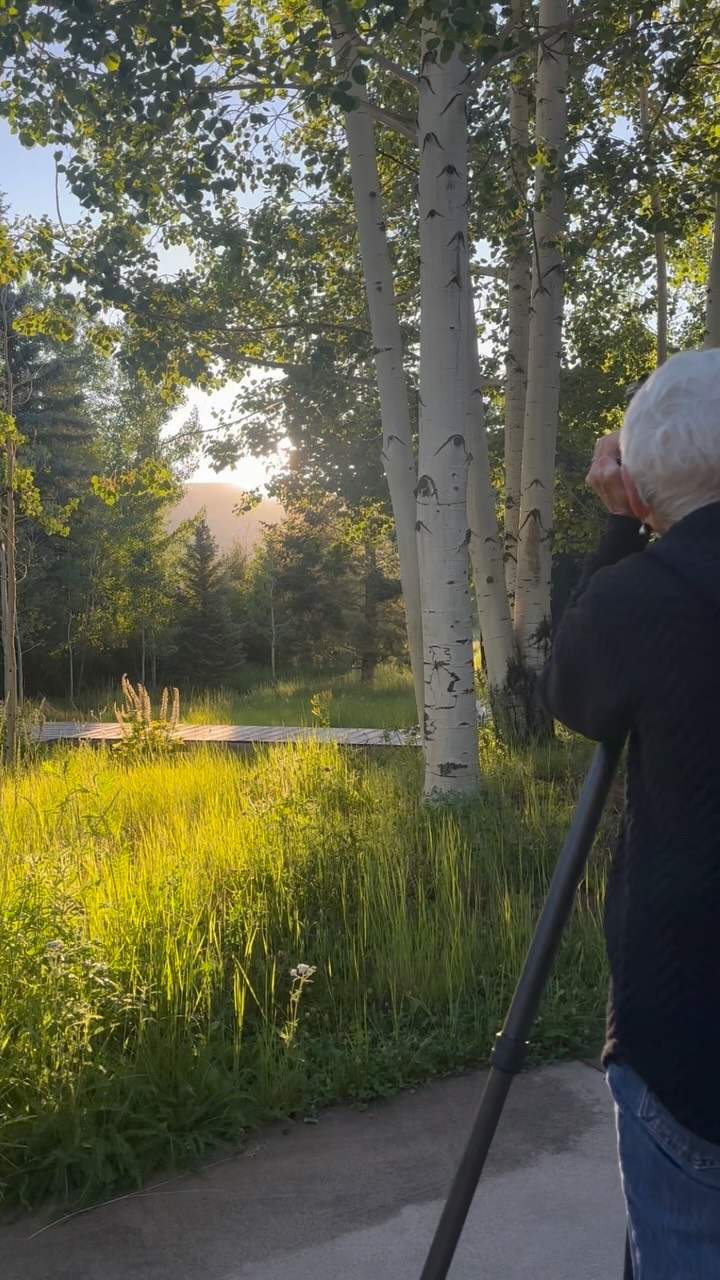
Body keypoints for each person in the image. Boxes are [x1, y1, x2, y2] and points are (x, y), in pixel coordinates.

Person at [539, 349, 720, 1280]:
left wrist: (620, 528)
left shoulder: (638, 597)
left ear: (642, 485)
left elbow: (572, 695)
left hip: (691, 1036)